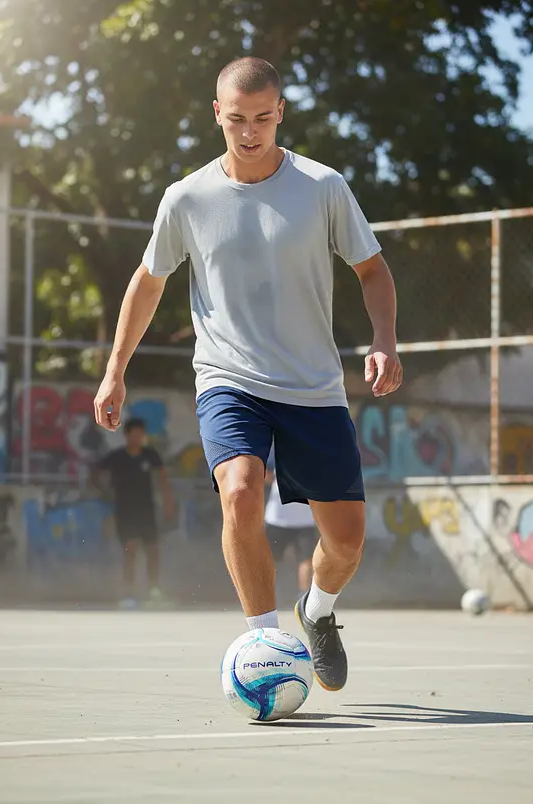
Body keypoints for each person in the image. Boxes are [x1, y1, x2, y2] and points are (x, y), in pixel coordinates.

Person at [93, 57, 403, 692]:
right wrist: (114, 370)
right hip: (228, 378)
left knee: (345, 543)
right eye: (237, 118)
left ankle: (315, 612)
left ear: (281, 112)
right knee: (239, 489)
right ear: (217, 115)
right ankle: (264, 637)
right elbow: (148, 283)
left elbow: (372, 270)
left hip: (313, 386)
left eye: (263, 117)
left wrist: (384, 341)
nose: (250, 131)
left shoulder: (322, 187)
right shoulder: (187, 198)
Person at [92, 417, 176, 609]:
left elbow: (162, 479)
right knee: (130, 550)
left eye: (141, 434)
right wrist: (103, 491)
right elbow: (95, 471)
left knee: (152, 550)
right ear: (127, 434)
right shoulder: (117, 457)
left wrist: (168, 502)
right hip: (125, 510)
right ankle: (129, 593)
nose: (138, 437)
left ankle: (154, 591)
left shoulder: (150, 455)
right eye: (134, 433)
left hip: (146, 509)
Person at [263, 445, 319, 594]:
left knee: (306, 560)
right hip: (280, 518)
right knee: (271, 560)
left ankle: (301, 597)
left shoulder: (280, 449)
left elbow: (264, 474)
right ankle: (269, 594)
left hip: (300, 519)